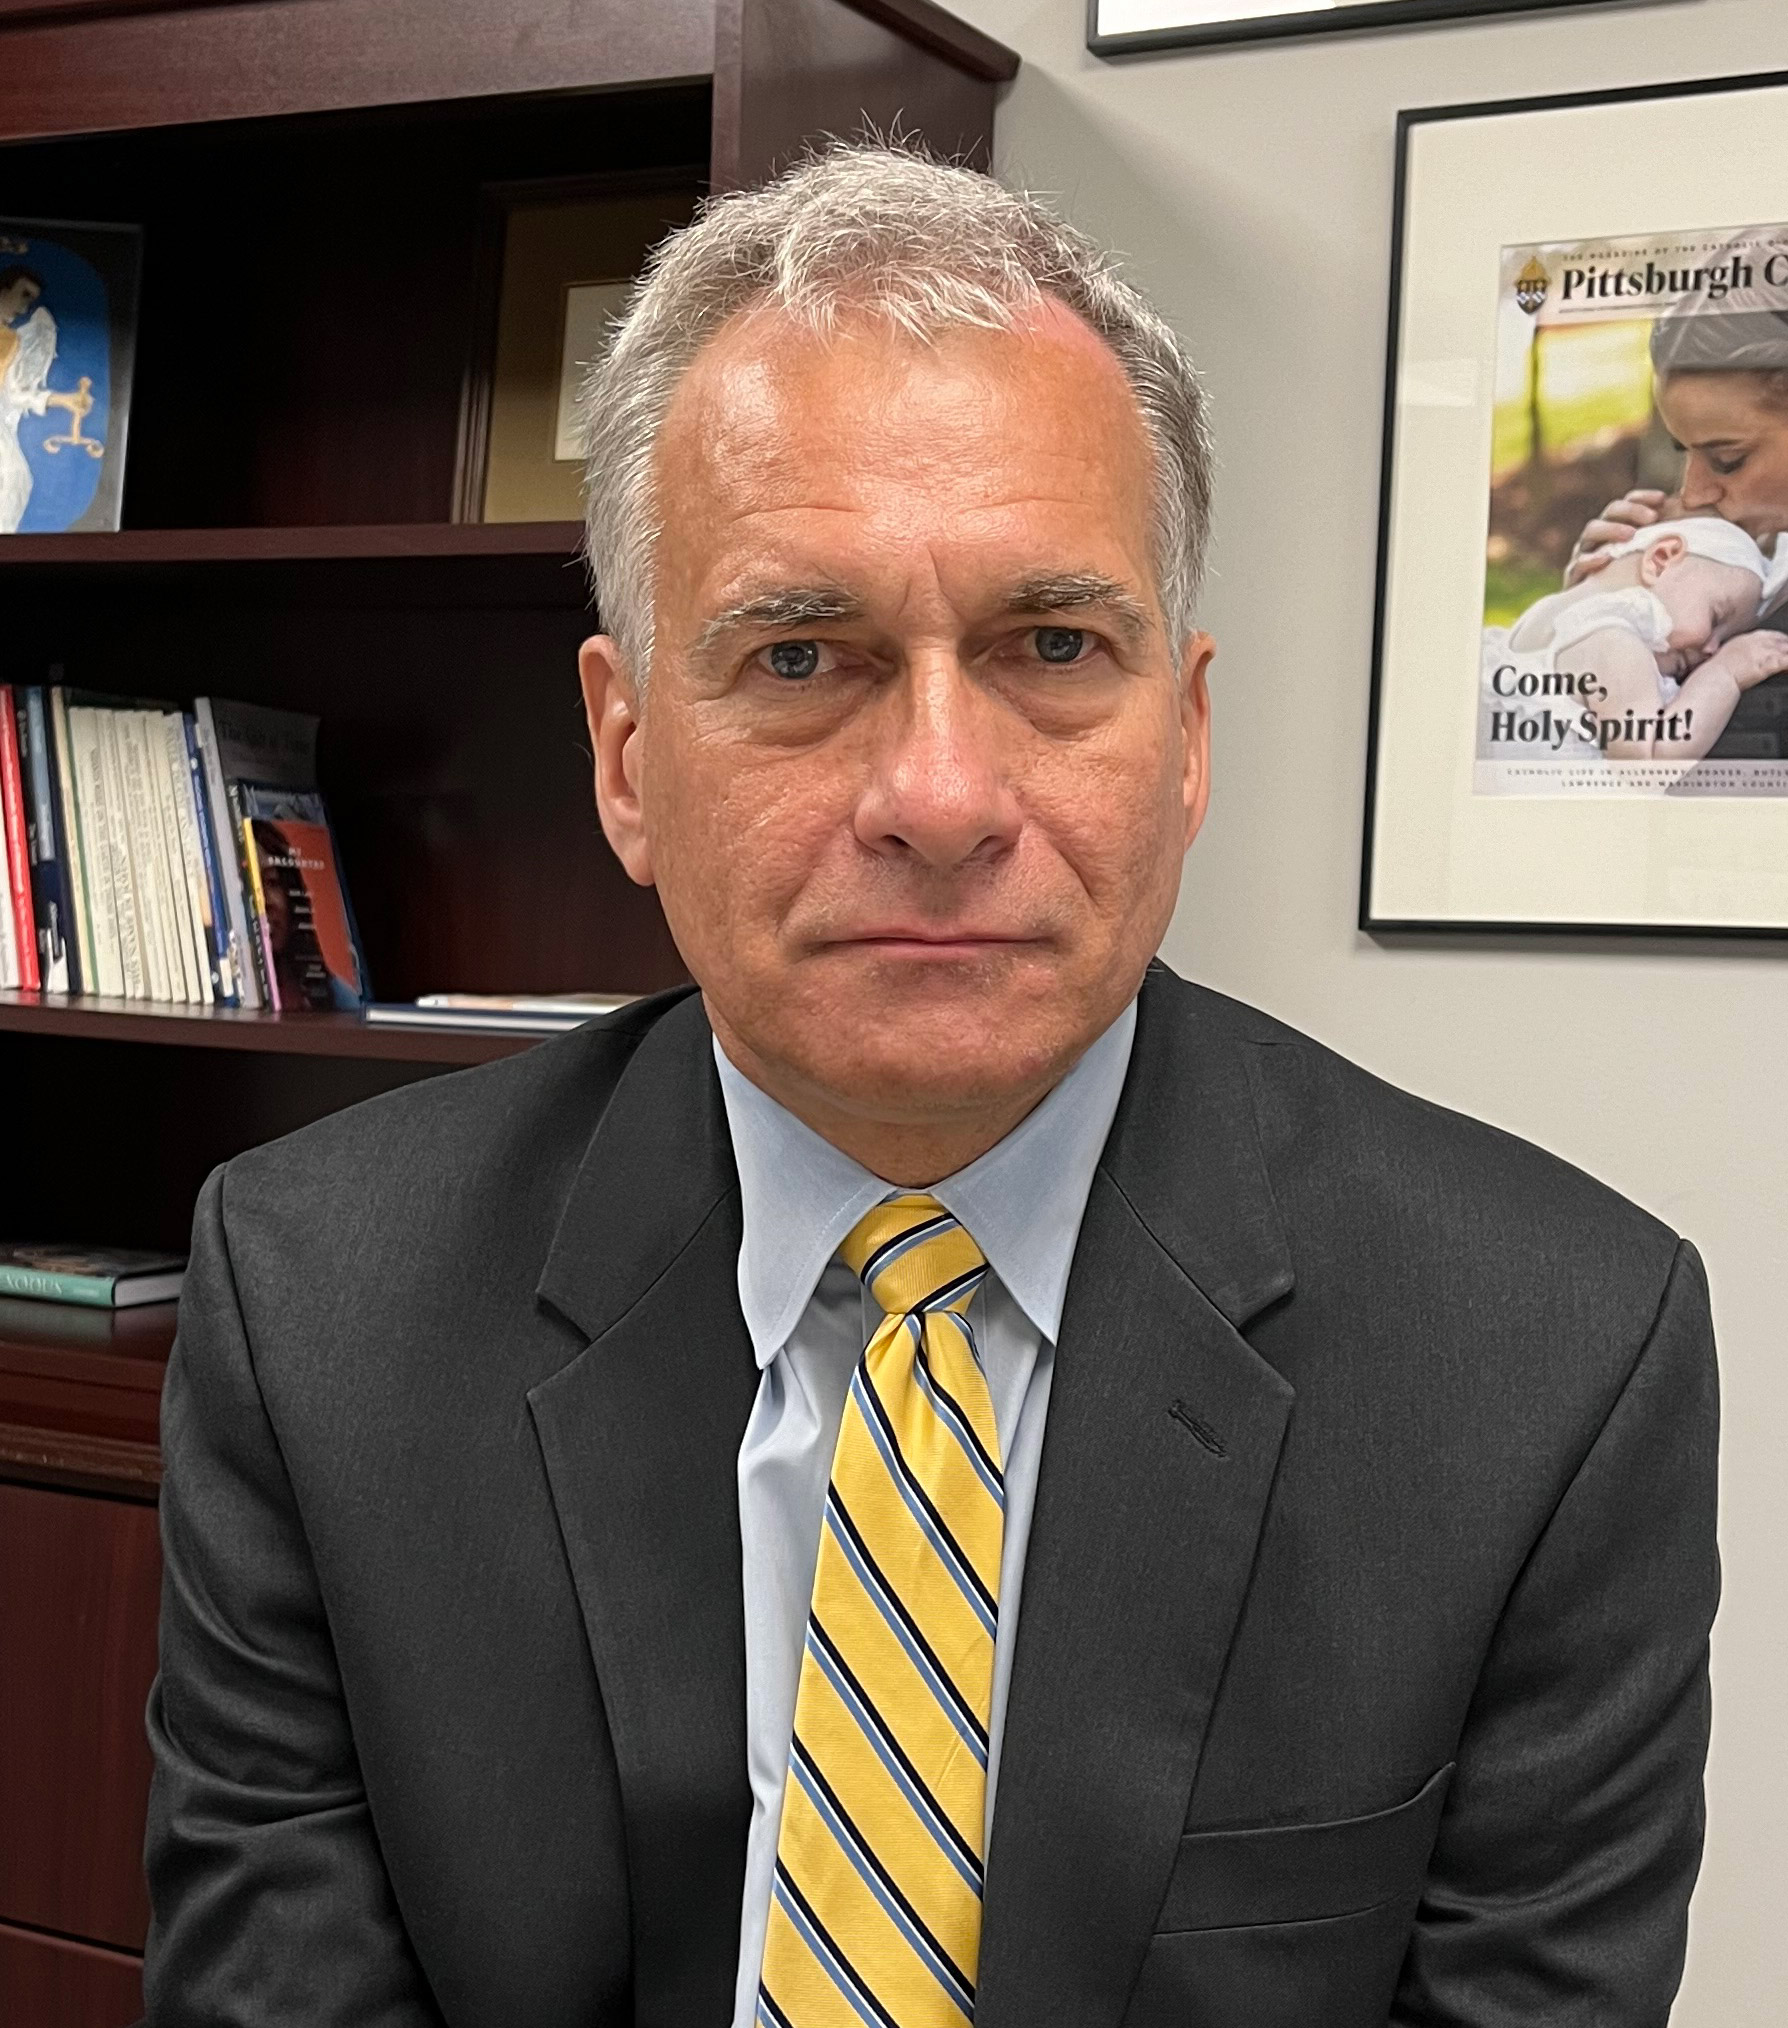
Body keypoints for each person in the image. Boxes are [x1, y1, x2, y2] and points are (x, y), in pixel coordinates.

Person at [144, 145, 1719, 2028]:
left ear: (1188, 737)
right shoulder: (318, 1305)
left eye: (1051, 647)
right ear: (626, 755)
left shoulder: (1548, 1359)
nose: (945, 797)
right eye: (800, 656)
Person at [1490, 514, 1788, 760]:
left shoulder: (1543, 617)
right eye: (1716, 618)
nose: (1712, 649)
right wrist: (1726, 673)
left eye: (1723, 642)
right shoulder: (1616, 643)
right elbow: (1650, 760)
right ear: (1660, 559)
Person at [0, 263, 55, 534]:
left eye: (30, 301)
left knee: (16, 479)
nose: (24, 309)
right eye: (23, 295)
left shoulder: (11, 340)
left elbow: (13, 393)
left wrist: (61, 400)